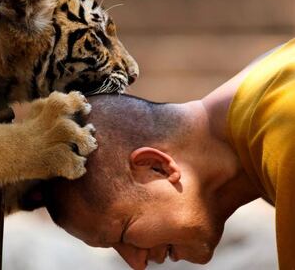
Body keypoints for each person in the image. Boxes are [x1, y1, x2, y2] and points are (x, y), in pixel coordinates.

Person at [41, 40, 295, 270]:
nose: (137, 264)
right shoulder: (268, 83)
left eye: (124, 235)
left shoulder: (286, 128)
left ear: (156, 167)